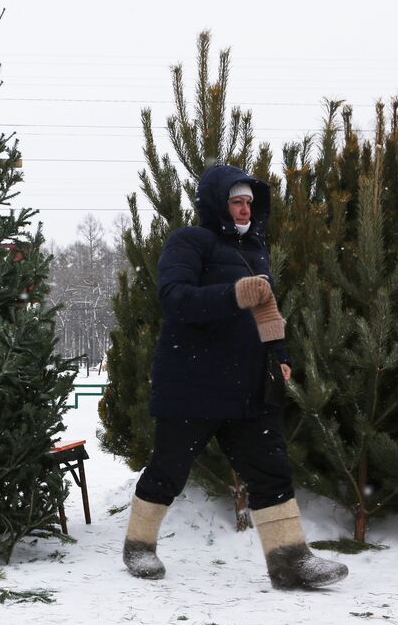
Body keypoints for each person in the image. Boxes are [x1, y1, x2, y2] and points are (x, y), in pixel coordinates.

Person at [121, 163, 349, 591]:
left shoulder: (255, 250)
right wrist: (233, 294)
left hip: (248, 387)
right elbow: (175, 300)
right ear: (216, 203)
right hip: (191, 385)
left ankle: (290, 560)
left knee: (271, 470)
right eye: (235, 201)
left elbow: (267, 310)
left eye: (248, 202)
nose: (244, 210)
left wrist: (279, 354)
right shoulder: (189, 242)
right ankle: (139, 545)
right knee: (168, 470)